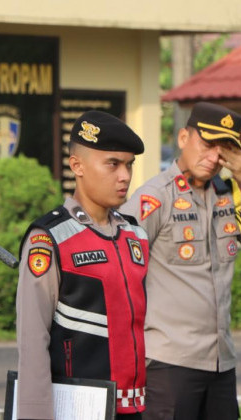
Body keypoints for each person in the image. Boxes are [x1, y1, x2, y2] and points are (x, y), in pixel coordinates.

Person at [16, 110, 149, 420]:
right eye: (113, 164)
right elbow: (33, 340)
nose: (125, 176)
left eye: (129, 165)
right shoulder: (50, 238)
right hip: (77, 408)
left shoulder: (135, 235)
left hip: (135, 408)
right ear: (77, 166)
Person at [120, 102, 241, 420]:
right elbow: (119, 271)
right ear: (182, 138)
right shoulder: (155, 197)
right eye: (207, 144)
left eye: (224, 150)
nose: (214, 157)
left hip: (221, 362)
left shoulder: (231, 194)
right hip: (169, 364)